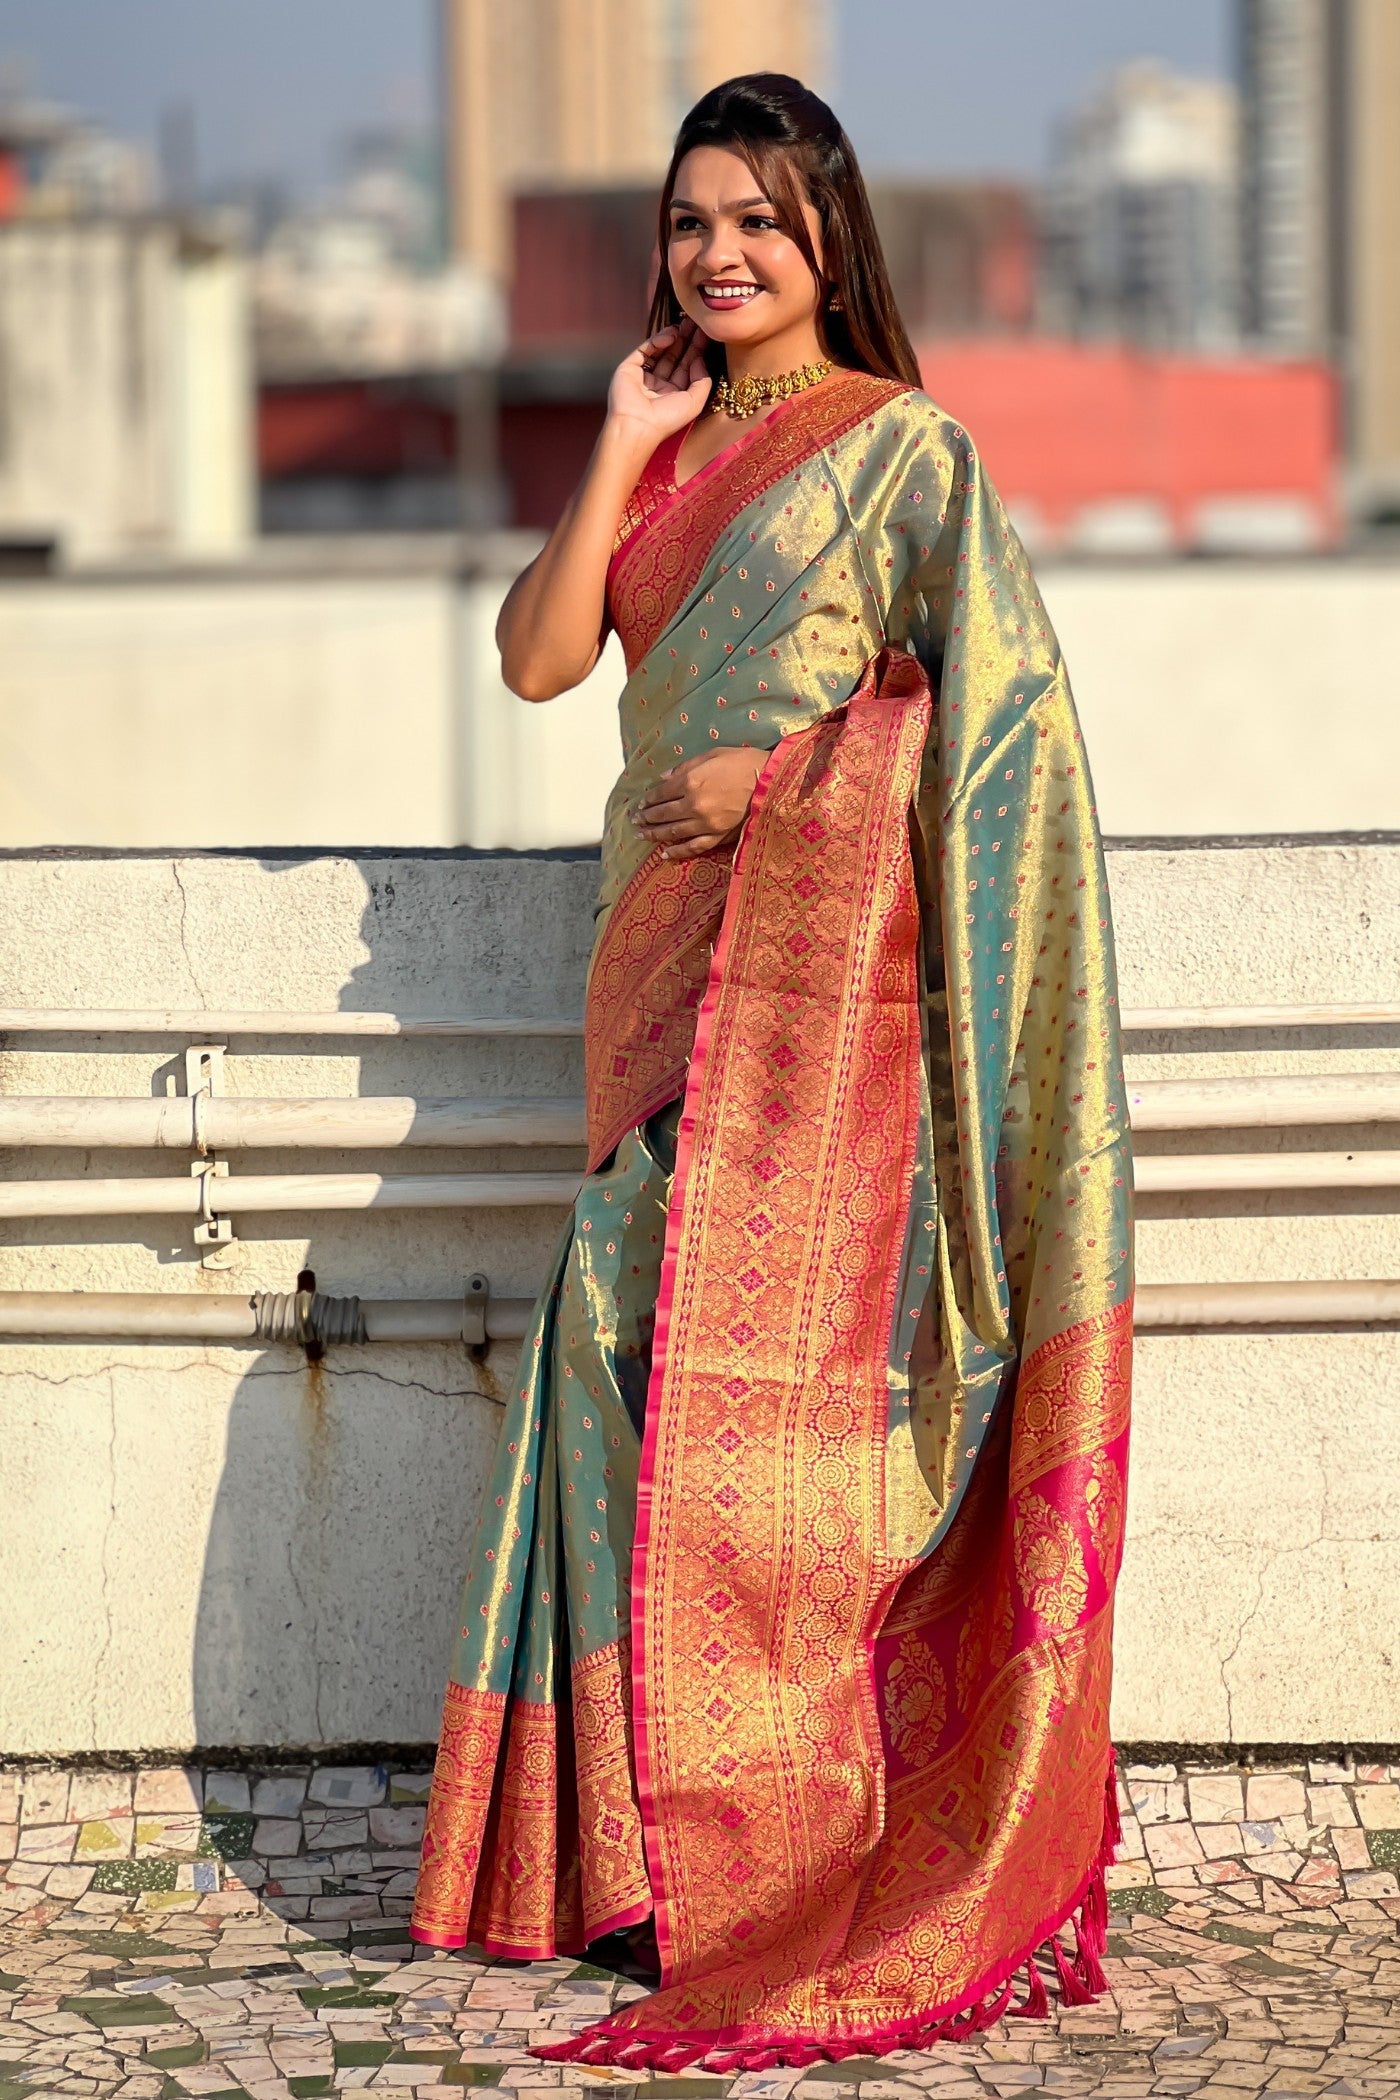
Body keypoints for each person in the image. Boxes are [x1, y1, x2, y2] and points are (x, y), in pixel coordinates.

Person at [409, 73, 1133, 2073]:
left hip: (816, 1023)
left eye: (759, 221)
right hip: (648, 993)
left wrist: (794, 780)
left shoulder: (903, 455)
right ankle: (625, 1864)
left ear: (829, 237)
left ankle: (764, 1858)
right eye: (690, 219)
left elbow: (1002, 753)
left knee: (758, 1422)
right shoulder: (667, 453)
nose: (719, 254)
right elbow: (542, 661)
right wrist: (624, 438)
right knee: (602, 1372)